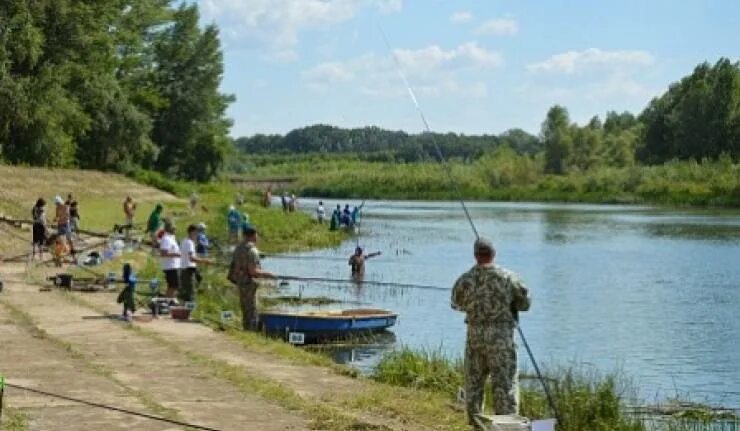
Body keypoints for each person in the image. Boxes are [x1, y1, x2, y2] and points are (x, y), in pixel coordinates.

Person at [451, 238, 531, 426]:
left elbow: (456, 304)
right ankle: (506, 426)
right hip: (501, 340)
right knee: (505, 387)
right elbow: (526, 304)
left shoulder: (464, 280)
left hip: (475, 339)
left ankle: (477, 426)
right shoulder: (509, 278)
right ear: (493, 254)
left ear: (475, 255)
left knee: (474, 386)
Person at [228, 226, 274, 331]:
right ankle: (251, 332)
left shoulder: (238, 248)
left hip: (240, 282)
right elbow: (253, 271)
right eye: (256, 235)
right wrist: (269, 274)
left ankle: (246, 330)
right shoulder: (253, 251)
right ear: (253, 236)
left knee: (244, 308)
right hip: (249, 284)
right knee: (252, 310)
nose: (257, 237)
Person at [179, 224, 213, 303]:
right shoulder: (190, 243)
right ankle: (188, 311)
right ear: (192, 232)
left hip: (184, 269)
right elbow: (192, 258)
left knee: (185, 292)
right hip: (189, 270)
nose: (197, 235)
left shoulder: (184, 241)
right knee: (190, 293)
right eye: (196, 232)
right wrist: (206, 261)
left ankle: (183, 309)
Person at [158, 219, 181, 299]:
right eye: (174, 228)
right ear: (171, 229)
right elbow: (163, 253)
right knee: (173, 286)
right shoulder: (166, 239)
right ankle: (167, 301)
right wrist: (177, 254)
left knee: (174, 286)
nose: (176, 229)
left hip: (174, 266)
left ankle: (168, 301)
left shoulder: (171, 238)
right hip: (170, 266)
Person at [54, 196, 75, 263]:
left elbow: (67, 216)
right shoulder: (57, 208)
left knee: (68, 239)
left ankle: (72, 251)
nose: (57, 204)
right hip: (60, 225)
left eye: (58, 203)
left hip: (66, 225)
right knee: (61, 240)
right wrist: (56, 219)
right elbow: (57, 216)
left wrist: (59, 218)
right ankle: (60, 255)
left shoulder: (66, 207)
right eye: (56, 203)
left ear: (60, 201)